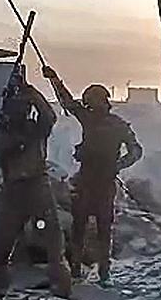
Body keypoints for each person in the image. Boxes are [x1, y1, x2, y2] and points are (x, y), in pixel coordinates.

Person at [42, 66, 143, 284]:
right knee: (89, 229)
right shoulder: (102, 121)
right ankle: (84, 271)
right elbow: (68, 102)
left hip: (99, 181)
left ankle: (97, 272)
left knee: (98, 229)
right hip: (91, 180)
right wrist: (54, 79)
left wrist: (117, 166)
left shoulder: (107, 123)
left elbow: (136, 150)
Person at [0, 66, 72, 300]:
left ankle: (61, 286)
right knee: (3, 243)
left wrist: (32, 93)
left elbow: (49, 116)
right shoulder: (3, 134)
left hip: (36, 186)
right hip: (14, 190)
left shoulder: (35, 130)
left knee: (53, 241)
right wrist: (10, 139)